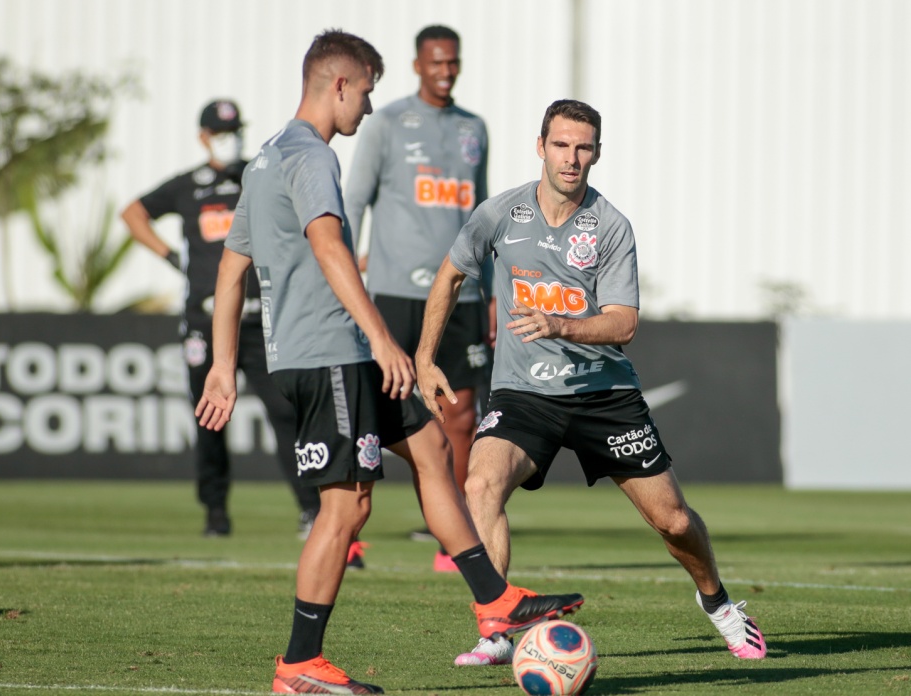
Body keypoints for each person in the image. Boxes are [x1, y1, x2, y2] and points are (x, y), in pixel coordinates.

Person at [194, 31, 584, 695]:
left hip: (339, 348)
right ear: (339, 84)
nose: (369, 107)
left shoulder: (265, 158)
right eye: (366, 91)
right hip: (331, 352)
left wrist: (223, 365)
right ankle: (298, 665)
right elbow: (328, 246)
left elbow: (231, 272)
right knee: (345, 508)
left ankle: (492, 599)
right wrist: (380, 337)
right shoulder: (313, 157)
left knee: (432, 451)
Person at [415, 99, 768, 667]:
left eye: (583, 147)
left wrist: (559, 323)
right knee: (480, 486)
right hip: (524, 394)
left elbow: (624, 321)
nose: (571, 158)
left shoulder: (609, 225)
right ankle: (496, 626)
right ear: (540, 147)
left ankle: (720, 605)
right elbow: (451, 274)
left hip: (602, 394)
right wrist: (425, 357)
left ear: (597, 153)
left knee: (673, 521)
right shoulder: (499, 214)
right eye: (561, 144)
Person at [121, 99, 321, 538]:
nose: (230, 139)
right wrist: (172, 257)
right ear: (203, 136)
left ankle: (312, 508)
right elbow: (133, 213)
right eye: (221, 132)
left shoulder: (258, 174)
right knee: (209, 419)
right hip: (205, 320)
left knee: (285, 413)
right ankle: (215, 514)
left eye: (234, 130)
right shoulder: (189, 185)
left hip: (259, 317)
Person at [344, 25, 493, 572]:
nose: (445, 70)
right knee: (366, 412)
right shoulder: (385, 123)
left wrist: (494, 292)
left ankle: (450, 543)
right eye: (436, 62)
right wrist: (347, 278)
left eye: (453, 62)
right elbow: (354, 200)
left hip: (461, 292)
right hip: (392, 292)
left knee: (460, 418)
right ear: (417, 65)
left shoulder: (474, 128)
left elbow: (483, 218)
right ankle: (348, 531)